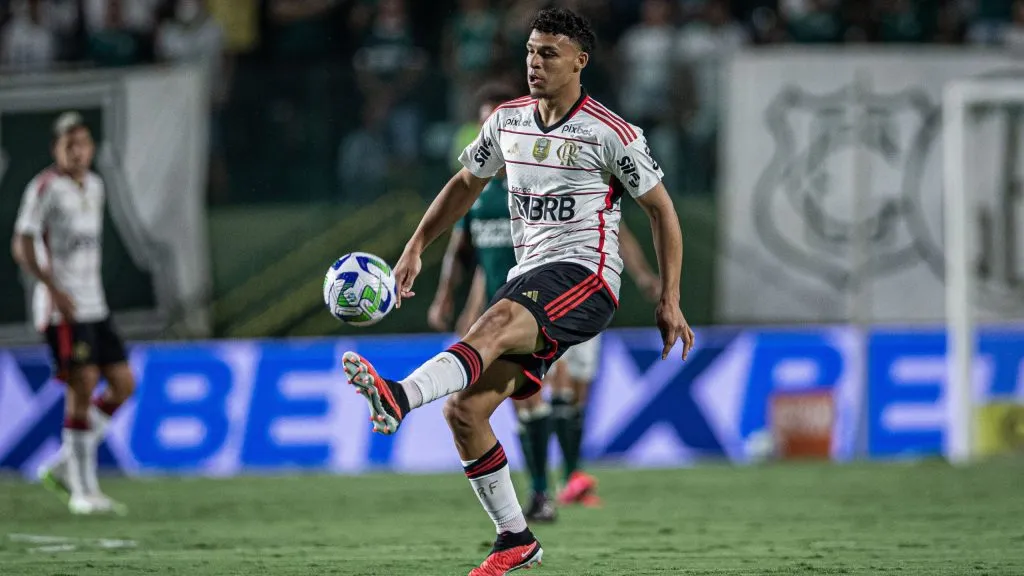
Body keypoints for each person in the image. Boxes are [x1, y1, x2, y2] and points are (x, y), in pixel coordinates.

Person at [343, 8, 694, 574]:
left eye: (548, 53)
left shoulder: (612, 133)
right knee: (465, 412)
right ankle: (515, 537)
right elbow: (463, 184)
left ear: (580, 61)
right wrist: (415, 246)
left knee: (496, 320)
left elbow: (662, 211)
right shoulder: (505, 121)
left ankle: (400, 396)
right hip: (529, 278)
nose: (535, 62)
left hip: (587, 279)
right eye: (531, 51)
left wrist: (669, 297)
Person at [428, 84, 662, 522]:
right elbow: (477, 258)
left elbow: (625, 224)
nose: (488, 128)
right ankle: (543, 491)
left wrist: (650, 279)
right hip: (507, 306)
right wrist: (460, 303)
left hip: (564, 294)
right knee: (520, 402)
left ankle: (567, 475)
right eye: (482, 122)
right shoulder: (482, 198)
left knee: (566, 389)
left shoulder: (549, 171)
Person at [10, 112, 136, 516]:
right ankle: (84, 490)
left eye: (82, 144)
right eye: (69, 145)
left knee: (123, 384)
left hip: (95, 303)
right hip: (62, 307)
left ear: (92, 147)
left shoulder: (96, 185)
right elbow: (21, 243)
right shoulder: (45, 187)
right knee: (83, 383)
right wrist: (51, 287)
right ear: (56, 150)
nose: (77, 151)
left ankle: (65, 465)